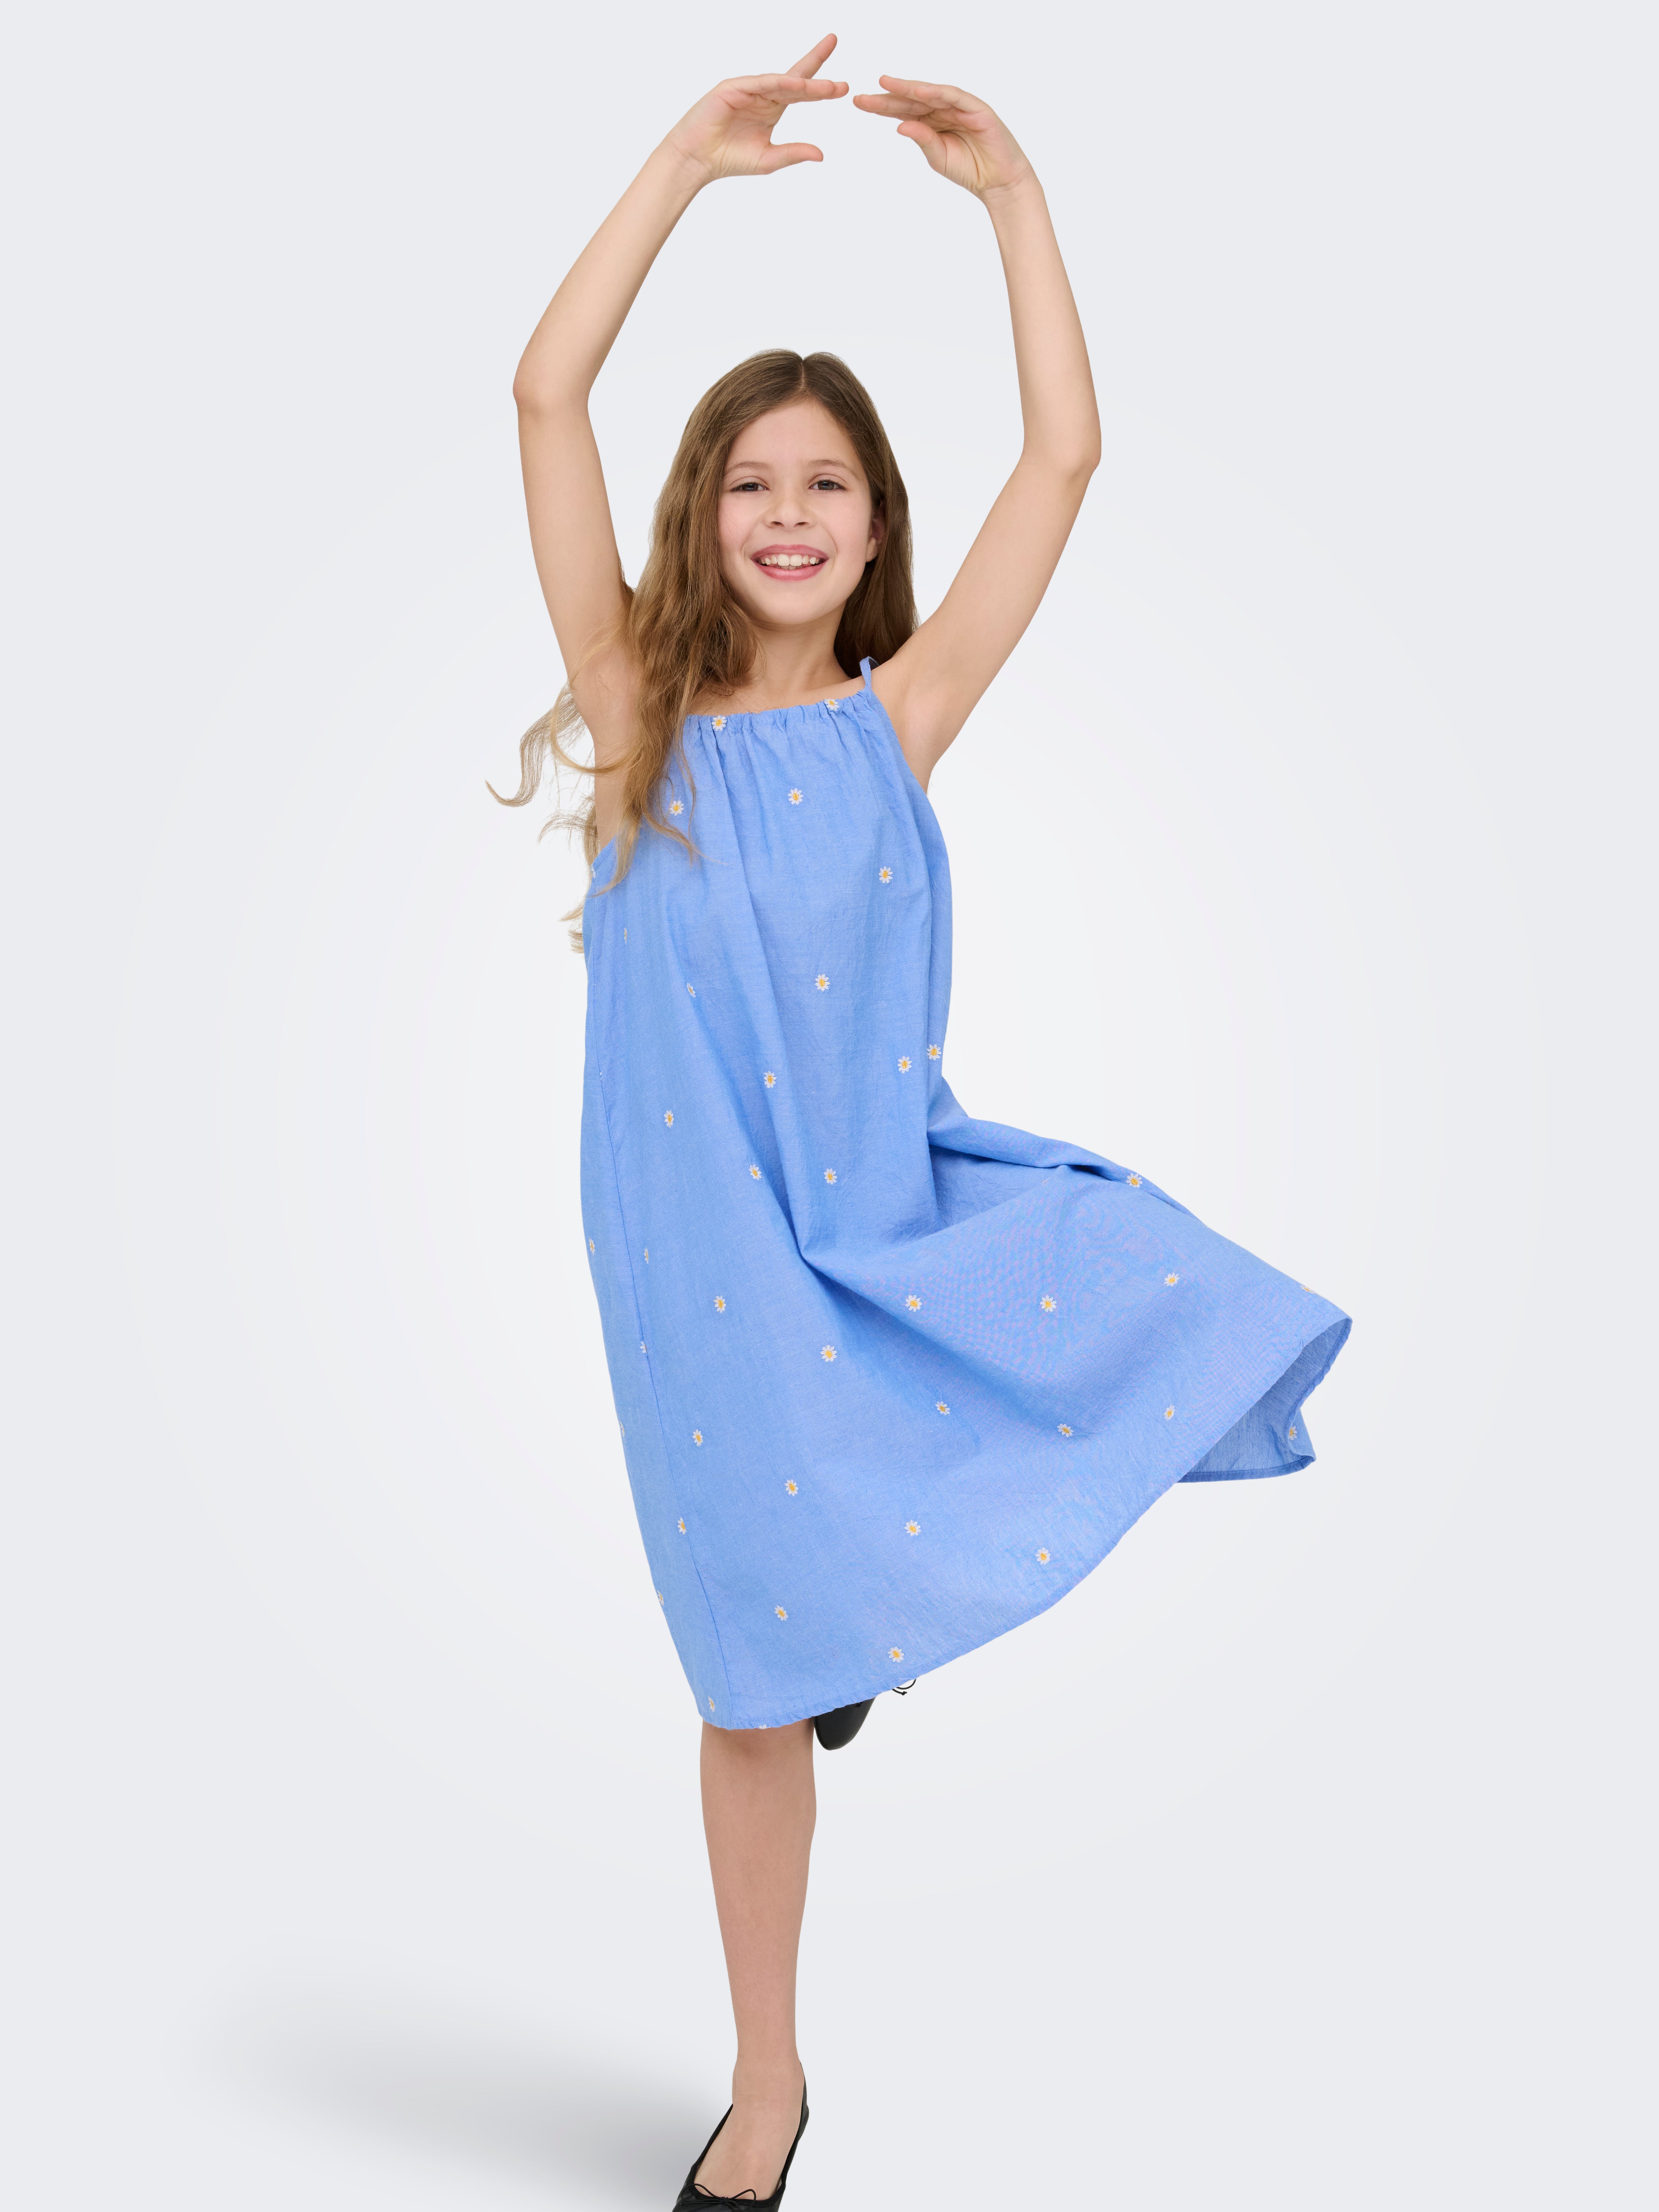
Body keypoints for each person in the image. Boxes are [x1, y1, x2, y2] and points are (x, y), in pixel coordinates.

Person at [503, 36, 1349, 2207]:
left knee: (1131, 1282)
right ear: (705, 515)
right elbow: (543, 397)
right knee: (745, 1686)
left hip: (872, 1228)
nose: (788, 513)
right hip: (696, 1268)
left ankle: (859, 1588)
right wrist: (681, 166)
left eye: (830, 484)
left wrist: (1015, 203)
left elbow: (1067, 456)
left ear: (877, 527)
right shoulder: (635, 715)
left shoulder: (905, 720)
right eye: (752, 482)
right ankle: (767, 2079)